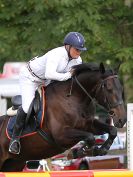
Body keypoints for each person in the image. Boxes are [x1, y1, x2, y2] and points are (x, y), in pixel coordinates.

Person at [9, 32, 87, 154]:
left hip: (46, 81)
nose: (79, 52)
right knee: (26, 106)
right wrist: (67, 75)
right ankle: (15, 139)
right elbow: (50, 74)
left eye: (81, 50)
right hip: (30, 78)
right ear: (68, 46)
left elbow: (73, 80)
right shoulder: (56, 54)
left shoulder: (77, 60)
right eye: (77, 49)